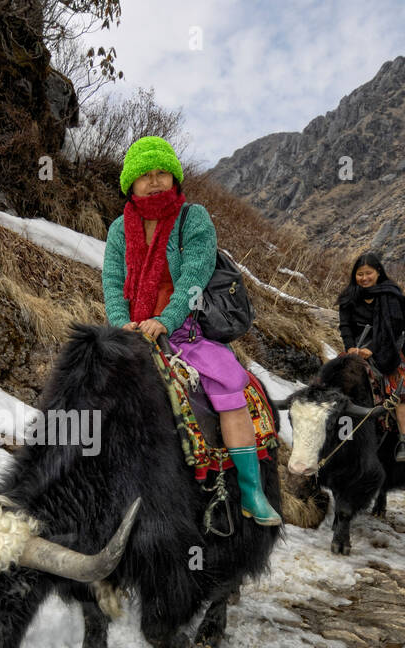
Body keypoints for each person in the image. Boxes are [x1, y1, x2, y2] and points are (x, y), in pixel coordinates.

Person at [101, 135, 280, 526]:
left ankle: (250, 490)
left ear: (174, 177)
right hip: (131, 333)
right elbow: (113, 282)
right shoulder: (119, 229)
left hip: (187, 334)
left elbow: (194, 278)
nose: (154, 181)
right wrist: (121, 322)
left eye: (162, 172)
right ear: (130, 183)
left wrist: (166, 320)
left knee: (230, 388)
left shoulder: (192, 218)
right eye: (144, 175)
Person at [337, 253, 405, 462]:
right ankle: (342, 436)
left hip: (387, 347)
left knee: (400, 388)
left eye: (368, 273)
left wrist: (372, 348)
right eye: (359, 274)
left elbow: (394, 326)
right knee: (335, 384)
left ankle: (404, 440)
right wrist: (351, 347)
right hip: (357, 348)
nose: (364, 278)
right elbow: (345, 325)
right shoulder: (349, 296)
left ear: (378, 272)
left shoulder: (391, 295)